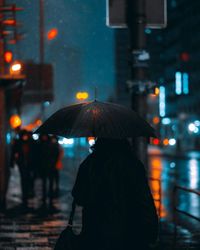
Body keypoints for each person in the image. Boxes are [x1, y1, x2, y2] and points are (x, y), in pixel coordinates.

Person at [72, 138, 158, 250]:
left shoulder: (90, 163)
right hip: (129, 232)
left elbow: (79, 196)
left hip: (95, 231)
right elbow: (144, 199)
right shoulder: (133, 164)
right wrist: (151, 228)